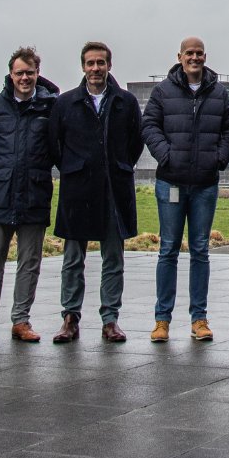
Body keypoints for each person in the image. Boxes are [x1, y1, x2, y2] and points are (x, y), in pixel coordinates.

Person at [142, 36, 229, 343]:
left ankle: (199, 319)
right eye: (189, 53)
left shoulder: (218, 93)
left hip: (205, 184)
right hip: (171, 182)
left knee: (200, 251)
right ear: (179, 57)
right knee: (168, 249)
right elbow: (149, 125)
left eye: (199, 53)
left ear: (205, 56)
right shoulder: (163, 91)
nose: (194, 58)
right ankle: (162, 320)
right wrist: (166, 155)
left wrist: (219, 158)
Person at [50, 41, 143, 344]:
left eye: (100, 63)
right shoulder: (65, 104)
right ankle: (69, 317)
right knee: (73, 258)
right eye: (90, 63)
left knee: (113, 258)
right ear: (83, 66)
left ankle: (110, 319)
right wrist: (75, 166)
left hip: (114, 190)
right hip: (78, 190)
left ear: (109, 66)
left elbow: (135, 143)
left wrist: (117, 166)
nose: (95, 69)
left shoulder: (126, 103)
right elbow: (55, 145)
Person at [0, 47, 59, 346]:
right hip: (1, 194)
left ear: (37, 74)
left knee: (29, 260)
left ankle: (21, 320)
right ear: (11, 74)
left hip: (35, 192)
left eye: (30, 73)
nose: (24, 78)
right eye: (19, 73)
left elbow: (57, 145)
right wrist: (1, 169)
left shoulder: (50, 108)